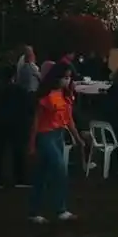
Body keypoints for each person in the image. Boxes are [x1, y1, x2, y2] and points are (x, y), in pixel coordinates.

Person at [28, 63, 84, 224]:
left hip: (58, 135)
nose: (68, 81)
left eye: (69, 77)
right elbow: (36, 121)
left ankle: (37, 210)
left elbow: (69, 120)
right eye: (65, 77)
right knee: (59, 170)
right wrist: (32, 143)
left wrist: (77, 138)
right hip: (45, 135)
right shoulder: (47, 96)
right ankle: (59, 209)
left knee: (43, 173)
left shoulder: (66, 96)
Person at [0, 65, 31, 188]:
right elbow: (27, 108)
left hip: (0, 122)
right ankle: (19, 178)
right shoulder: (21, 90)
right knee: (18, 151)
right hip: (16, 123)